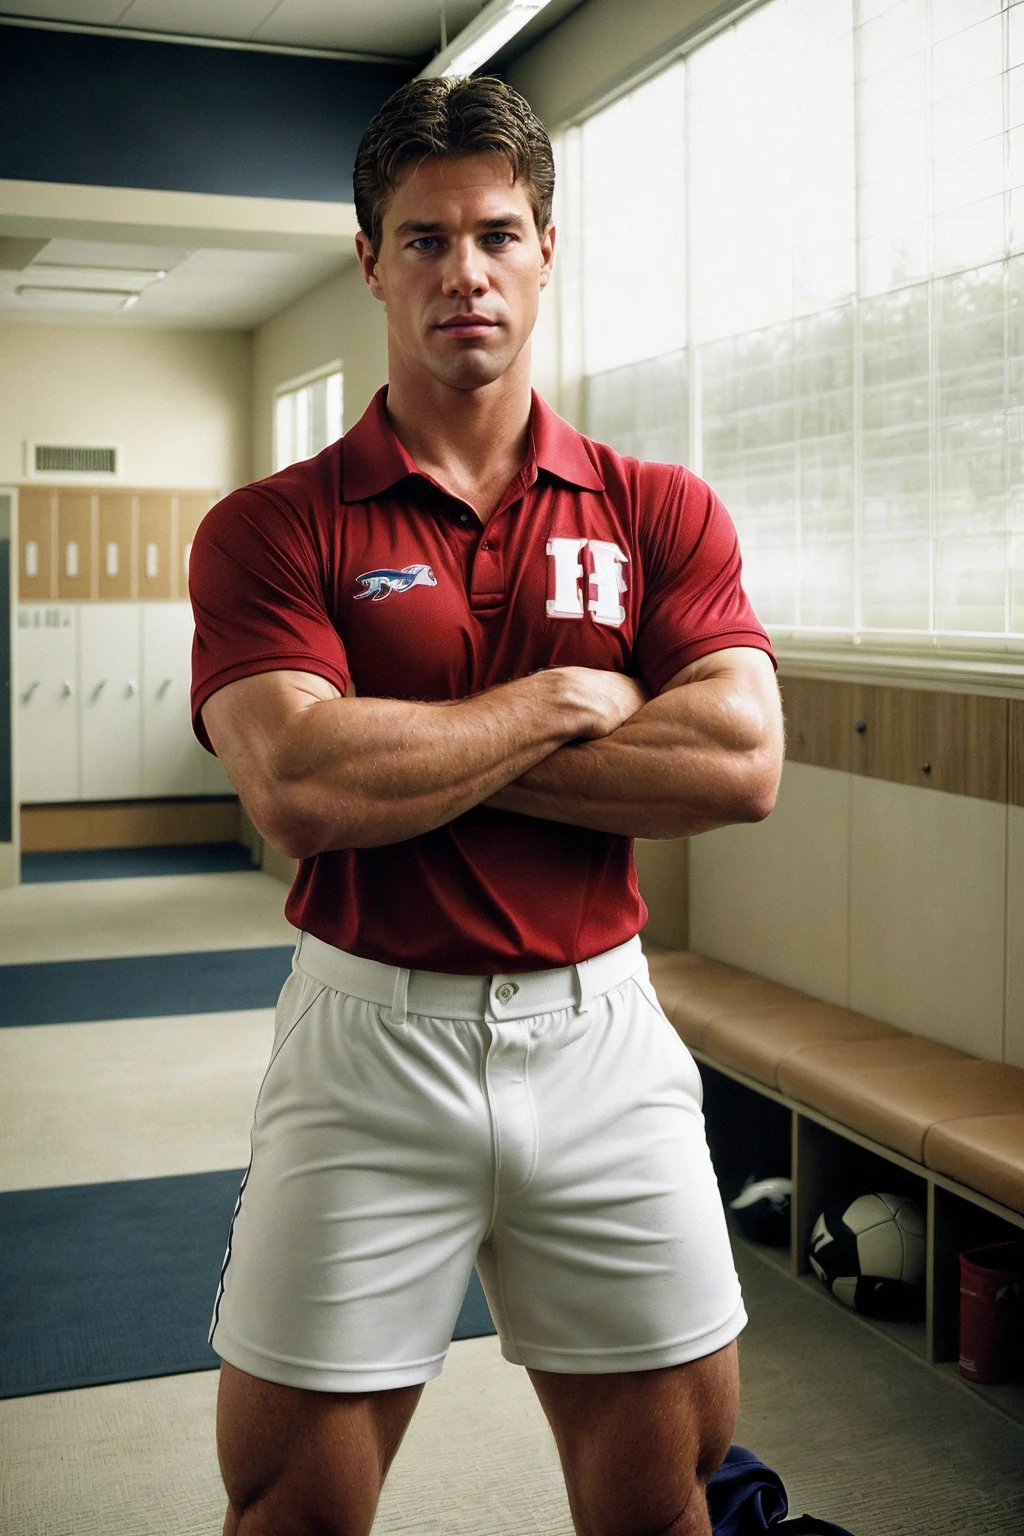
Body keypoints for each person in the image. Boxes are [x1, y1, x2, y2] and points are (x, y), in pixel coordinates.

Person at [189, 74, 784, 1536]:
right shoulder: (275, 526)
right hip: (369, 1047)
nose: (466, 271)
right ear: (370, 259)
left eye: (498, 234)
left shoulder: (659, 509)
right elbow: (301, 784)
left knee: (671, 1496)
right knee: (288, 1508)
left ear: (546, 250)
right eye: (426, 239)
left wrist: (423, 746)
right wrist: (567, 697)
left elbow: (737, 764)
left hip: (600, 1037)